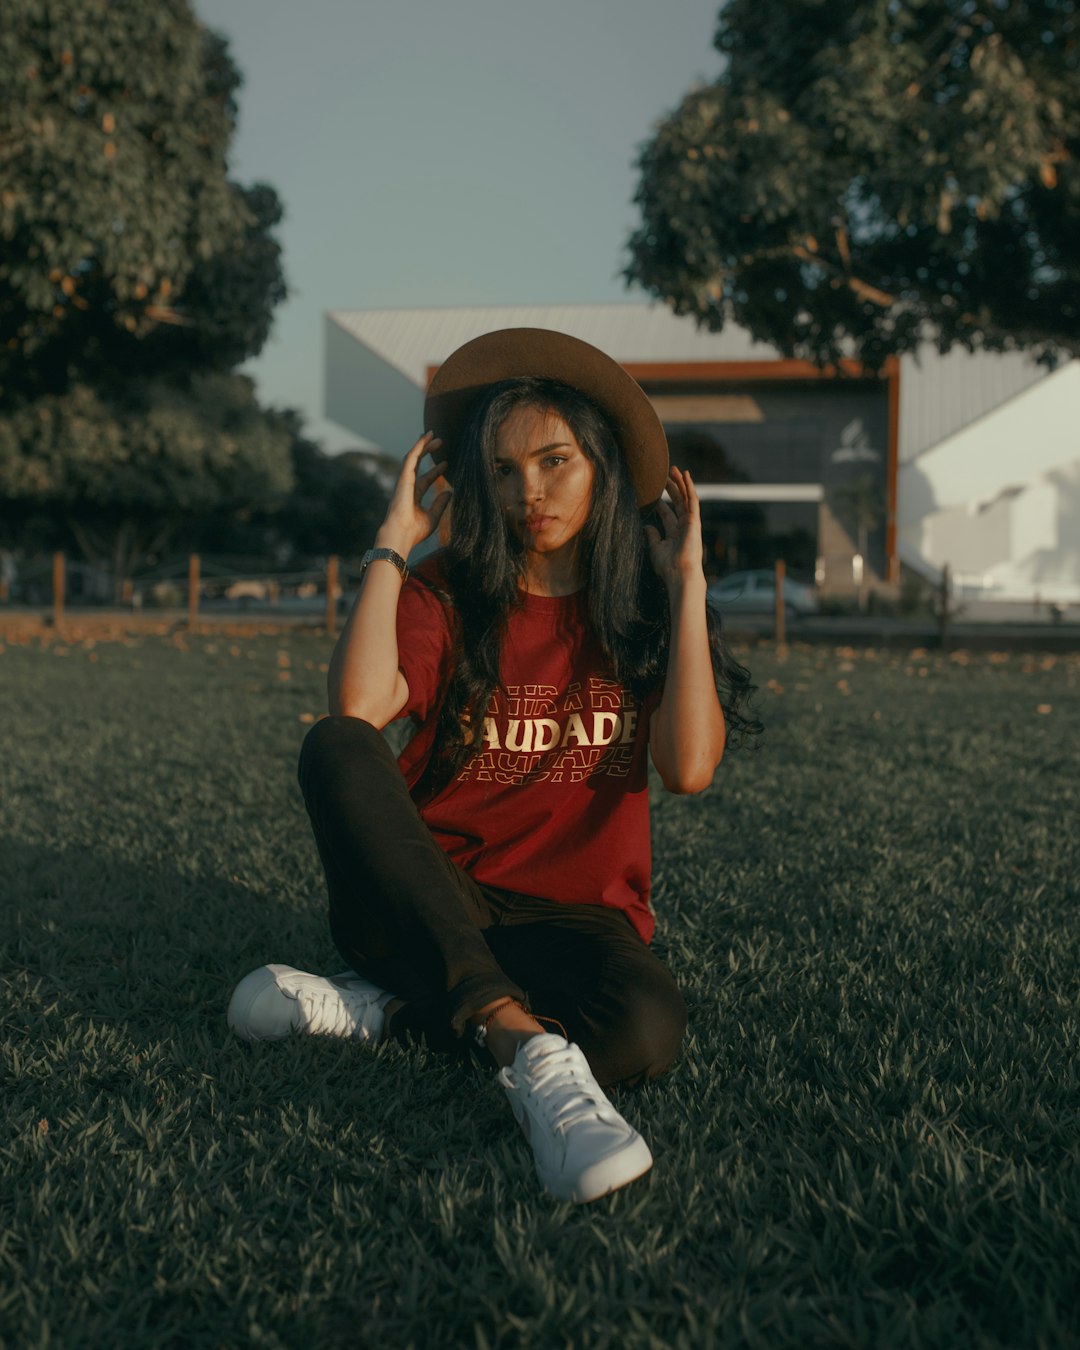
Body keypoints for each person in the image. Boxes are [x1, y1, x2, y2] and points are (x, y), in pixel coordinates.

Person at [227, 329, 759, 1204]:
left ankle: (391, 1012)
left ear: (605, 468)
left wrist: (688, 582)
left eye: (556, 461)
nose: (531, 491)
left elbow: (690, 768)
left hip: (573, 920)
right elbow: (357, 710)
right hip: (432, 899)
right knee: (335, 744)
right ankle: (518, 1039)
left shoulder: (638, 611)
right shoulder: (447, 589)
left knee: (645, 1028)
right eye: (506, 471)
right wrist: (394, 543)